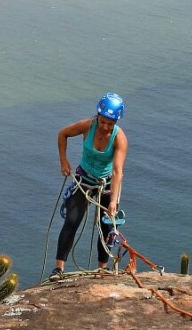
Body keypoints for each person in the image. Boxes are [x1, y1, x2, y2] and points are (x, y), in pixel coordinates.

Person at [50, 92, 128, 280]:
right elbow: (63, 134)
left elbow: (117, 171)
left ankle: (102, 269)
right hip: (84, 179)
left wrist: (113, 202)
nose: (105, 126)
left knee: (106, 227)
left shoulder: (119, 138)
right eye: (103, 121)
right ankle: (58, 269)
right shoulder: (87, 126)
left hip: (106, 184)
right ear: (98, 115)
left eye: (110, 123)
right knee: (71, 220)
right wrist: (63, 161)